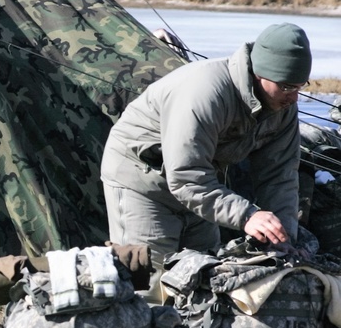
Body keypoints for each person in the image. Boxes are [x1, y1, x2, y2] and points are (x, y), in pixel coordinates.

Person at [100, 23, 313, 303]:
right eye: (286, 87)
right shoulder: (205, 93)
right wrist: (248, 215)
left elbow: (280, 176)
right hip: (143, 180)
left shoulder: (283, 107)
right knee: (151, 288)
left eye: (300, 87)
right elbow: (186, 177)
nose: (294, 97)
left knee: (205, 280)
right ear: (261, 73)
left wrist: (283, 237)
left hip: (203, 184)